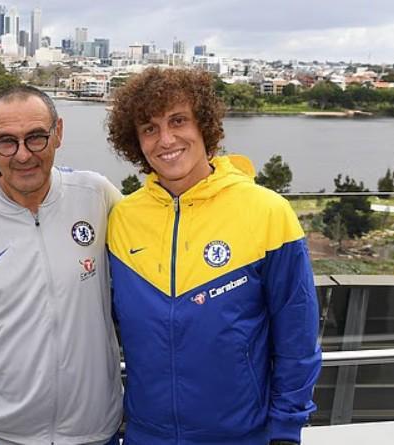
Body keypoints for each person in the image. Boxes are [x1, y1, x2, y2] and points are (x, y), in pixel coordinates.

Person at [106, 67, 321, 445]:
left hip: (241, 435)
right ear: (135, 142)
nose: (166, 139)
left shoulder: (267, 211)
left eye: (178, 121)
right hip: (146, 434)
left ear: (204, 125)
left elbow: (297, 333)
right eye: (149, 128)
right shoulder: (123, 218)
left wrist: (287, 427)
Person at [0, 85, 123, 445]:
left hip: (93, 430)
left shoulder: (96, 196)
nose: (23, 155)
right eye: (7, 142)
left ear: (59, 132)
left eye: (36, 137)